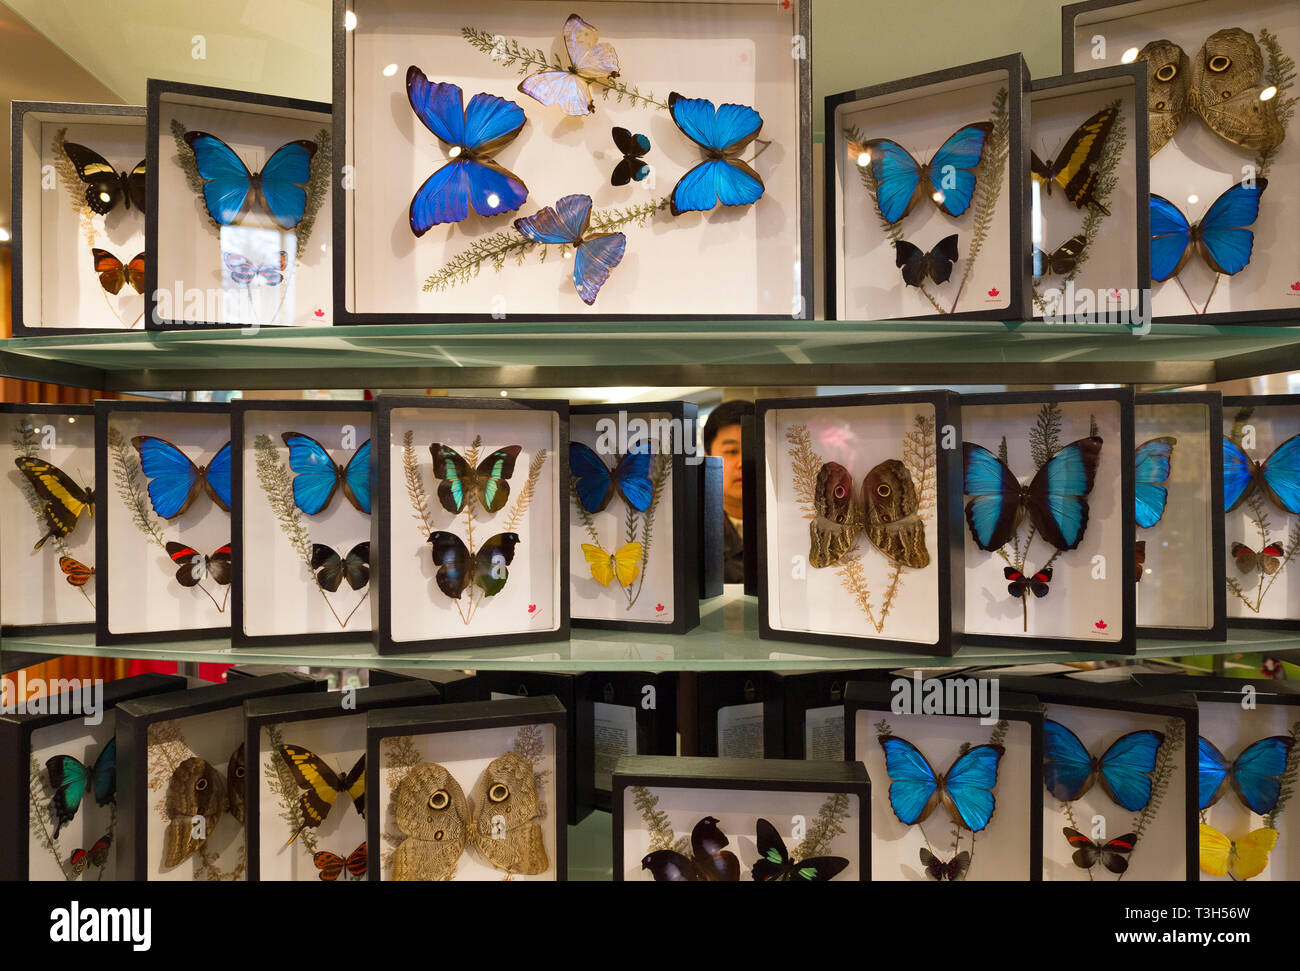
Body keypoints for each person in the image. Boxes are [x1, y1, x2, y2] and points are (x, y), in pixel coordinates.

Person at [703, 399, 753, 583]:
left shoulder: (786, 525)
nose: (742, 463)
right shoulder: (693, 530)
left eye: (752, 450)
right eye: (731, 451)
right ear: (708, 459)